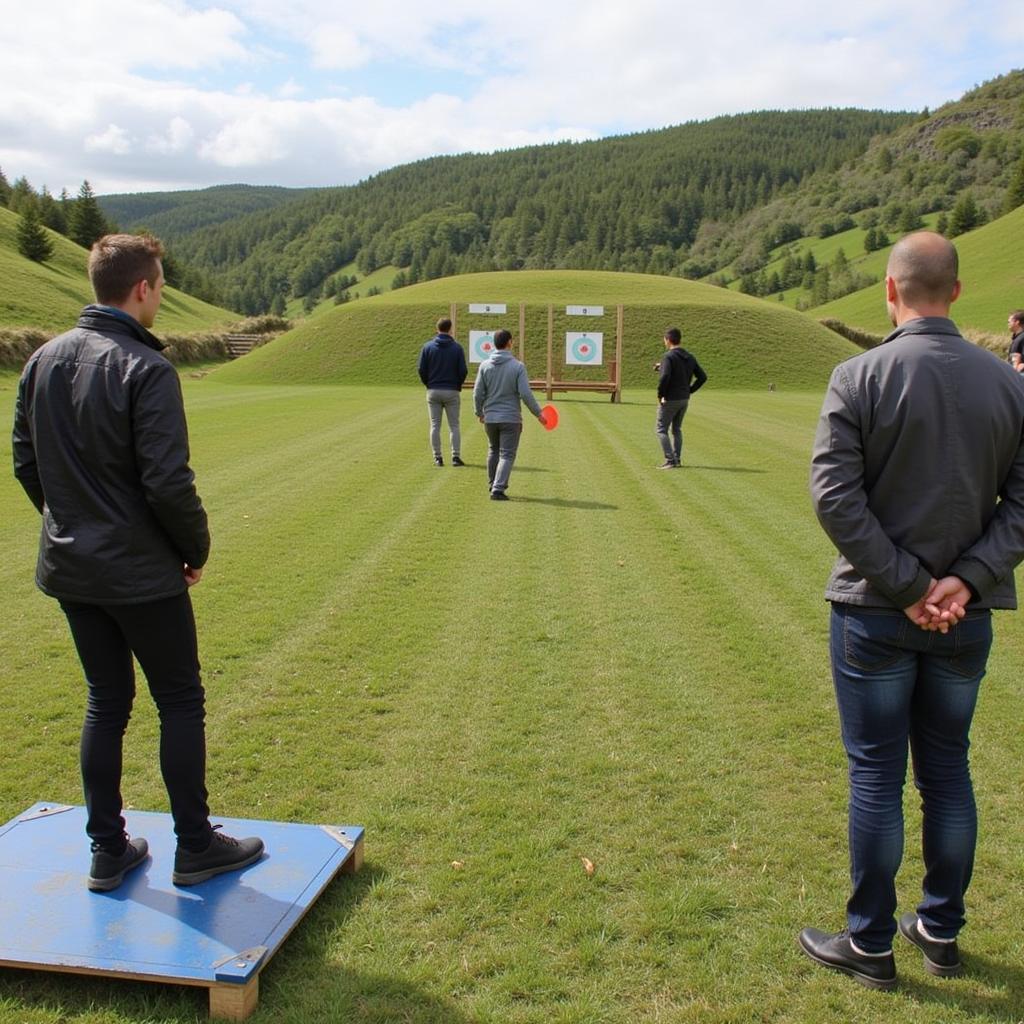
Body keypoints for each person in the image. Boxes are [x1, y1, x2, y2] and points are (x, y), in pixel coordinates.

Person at [801, 231, 1024, 989]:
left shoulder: (858, 375)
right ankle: (939, 926)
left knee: (876, 776)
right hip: (967, 617)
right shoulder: (1010, 383)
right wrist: (964, 580)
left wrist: (906, 586)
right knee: (948, 772)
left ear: (889, 293)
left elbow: (835, 495)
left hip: (876, 613)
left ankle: (869, 941)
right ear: (956, 292)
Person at [12, 234, 264, 892]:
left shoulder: (41, 360)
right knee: (179, 700)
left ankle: (107, 850)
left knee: (106, 700)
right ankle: (196, 845)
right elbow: (168, 484)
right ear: (144, 290)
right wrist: (192, 551)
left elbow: (25, 461)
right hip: (138, 571)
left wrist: (68, 522)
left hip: (72, 568)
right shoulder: (146, 368)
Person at [472, 328, 546, 500]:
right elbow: (525, 394)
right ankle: (498, 489)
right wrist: (538, 413)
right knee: (507, 454)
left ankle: (492, 483)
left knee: (493, 450)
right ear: (510, 343)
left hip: (490, 417)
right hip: (511, 417)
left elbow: (477, 393)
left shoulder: (484, 365)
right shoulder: (518, 366)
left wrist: (479, 412)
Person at [418, 317, 468, 466]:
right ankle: (455, 457)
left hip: (433, 390)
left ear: (437, 328)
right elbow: (463, 371)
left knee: (435, 425)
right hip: (451, 391)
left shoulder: (427, 347)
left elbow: (421, 369)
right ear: (450, 329)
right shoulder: (457, 348)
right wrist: (457, 385)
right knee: (454, 425)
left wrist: (428, 384)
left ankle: (437, 457)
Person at [654, 327, 707, 468]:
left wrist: (661, 394)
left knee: (661, 429)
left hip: (670, 398)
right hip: (684, 399)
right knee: (676, 429)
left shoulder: (668, 357)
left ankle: (670, 460)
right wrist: (690, 390)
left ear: (667, 340)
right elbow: (702, 377)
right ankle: (677, 459)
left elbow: (665, 377)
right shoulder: (689, 357)